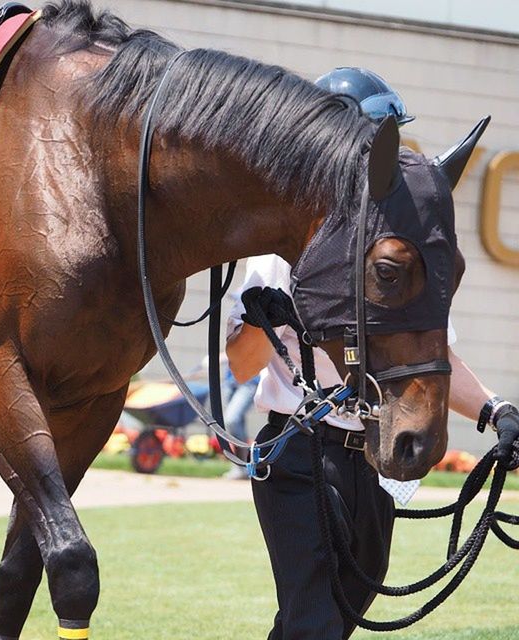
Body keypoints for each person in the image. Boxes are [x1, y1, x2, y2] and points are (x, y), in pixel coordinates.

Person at [226, 68, 519, 640]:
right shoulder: (277, 253)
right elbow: (239, 365)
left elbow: (437, 359)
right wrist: (284, 309)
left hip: (375, 464)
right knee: (315, 624)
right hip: (299, 457)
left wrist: (496, 411)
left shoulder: (398, 260)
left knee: (330, 622)